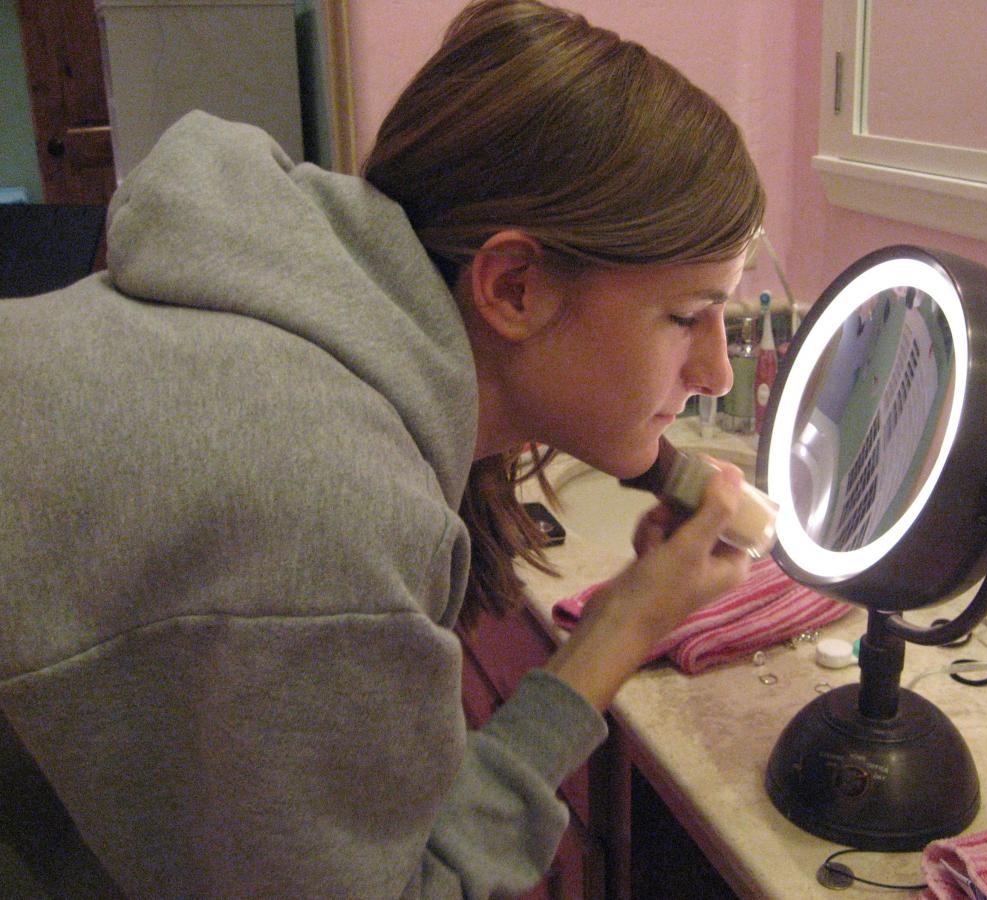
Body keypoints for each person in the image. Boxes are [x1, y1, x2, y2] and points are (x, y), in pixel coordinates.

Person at [0, 0, 765, 895]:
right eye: (686, 315)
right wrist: (621, 630)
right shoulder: (321, 510)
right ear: (514, 287)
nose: (715, 370)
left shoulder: (302, 340)